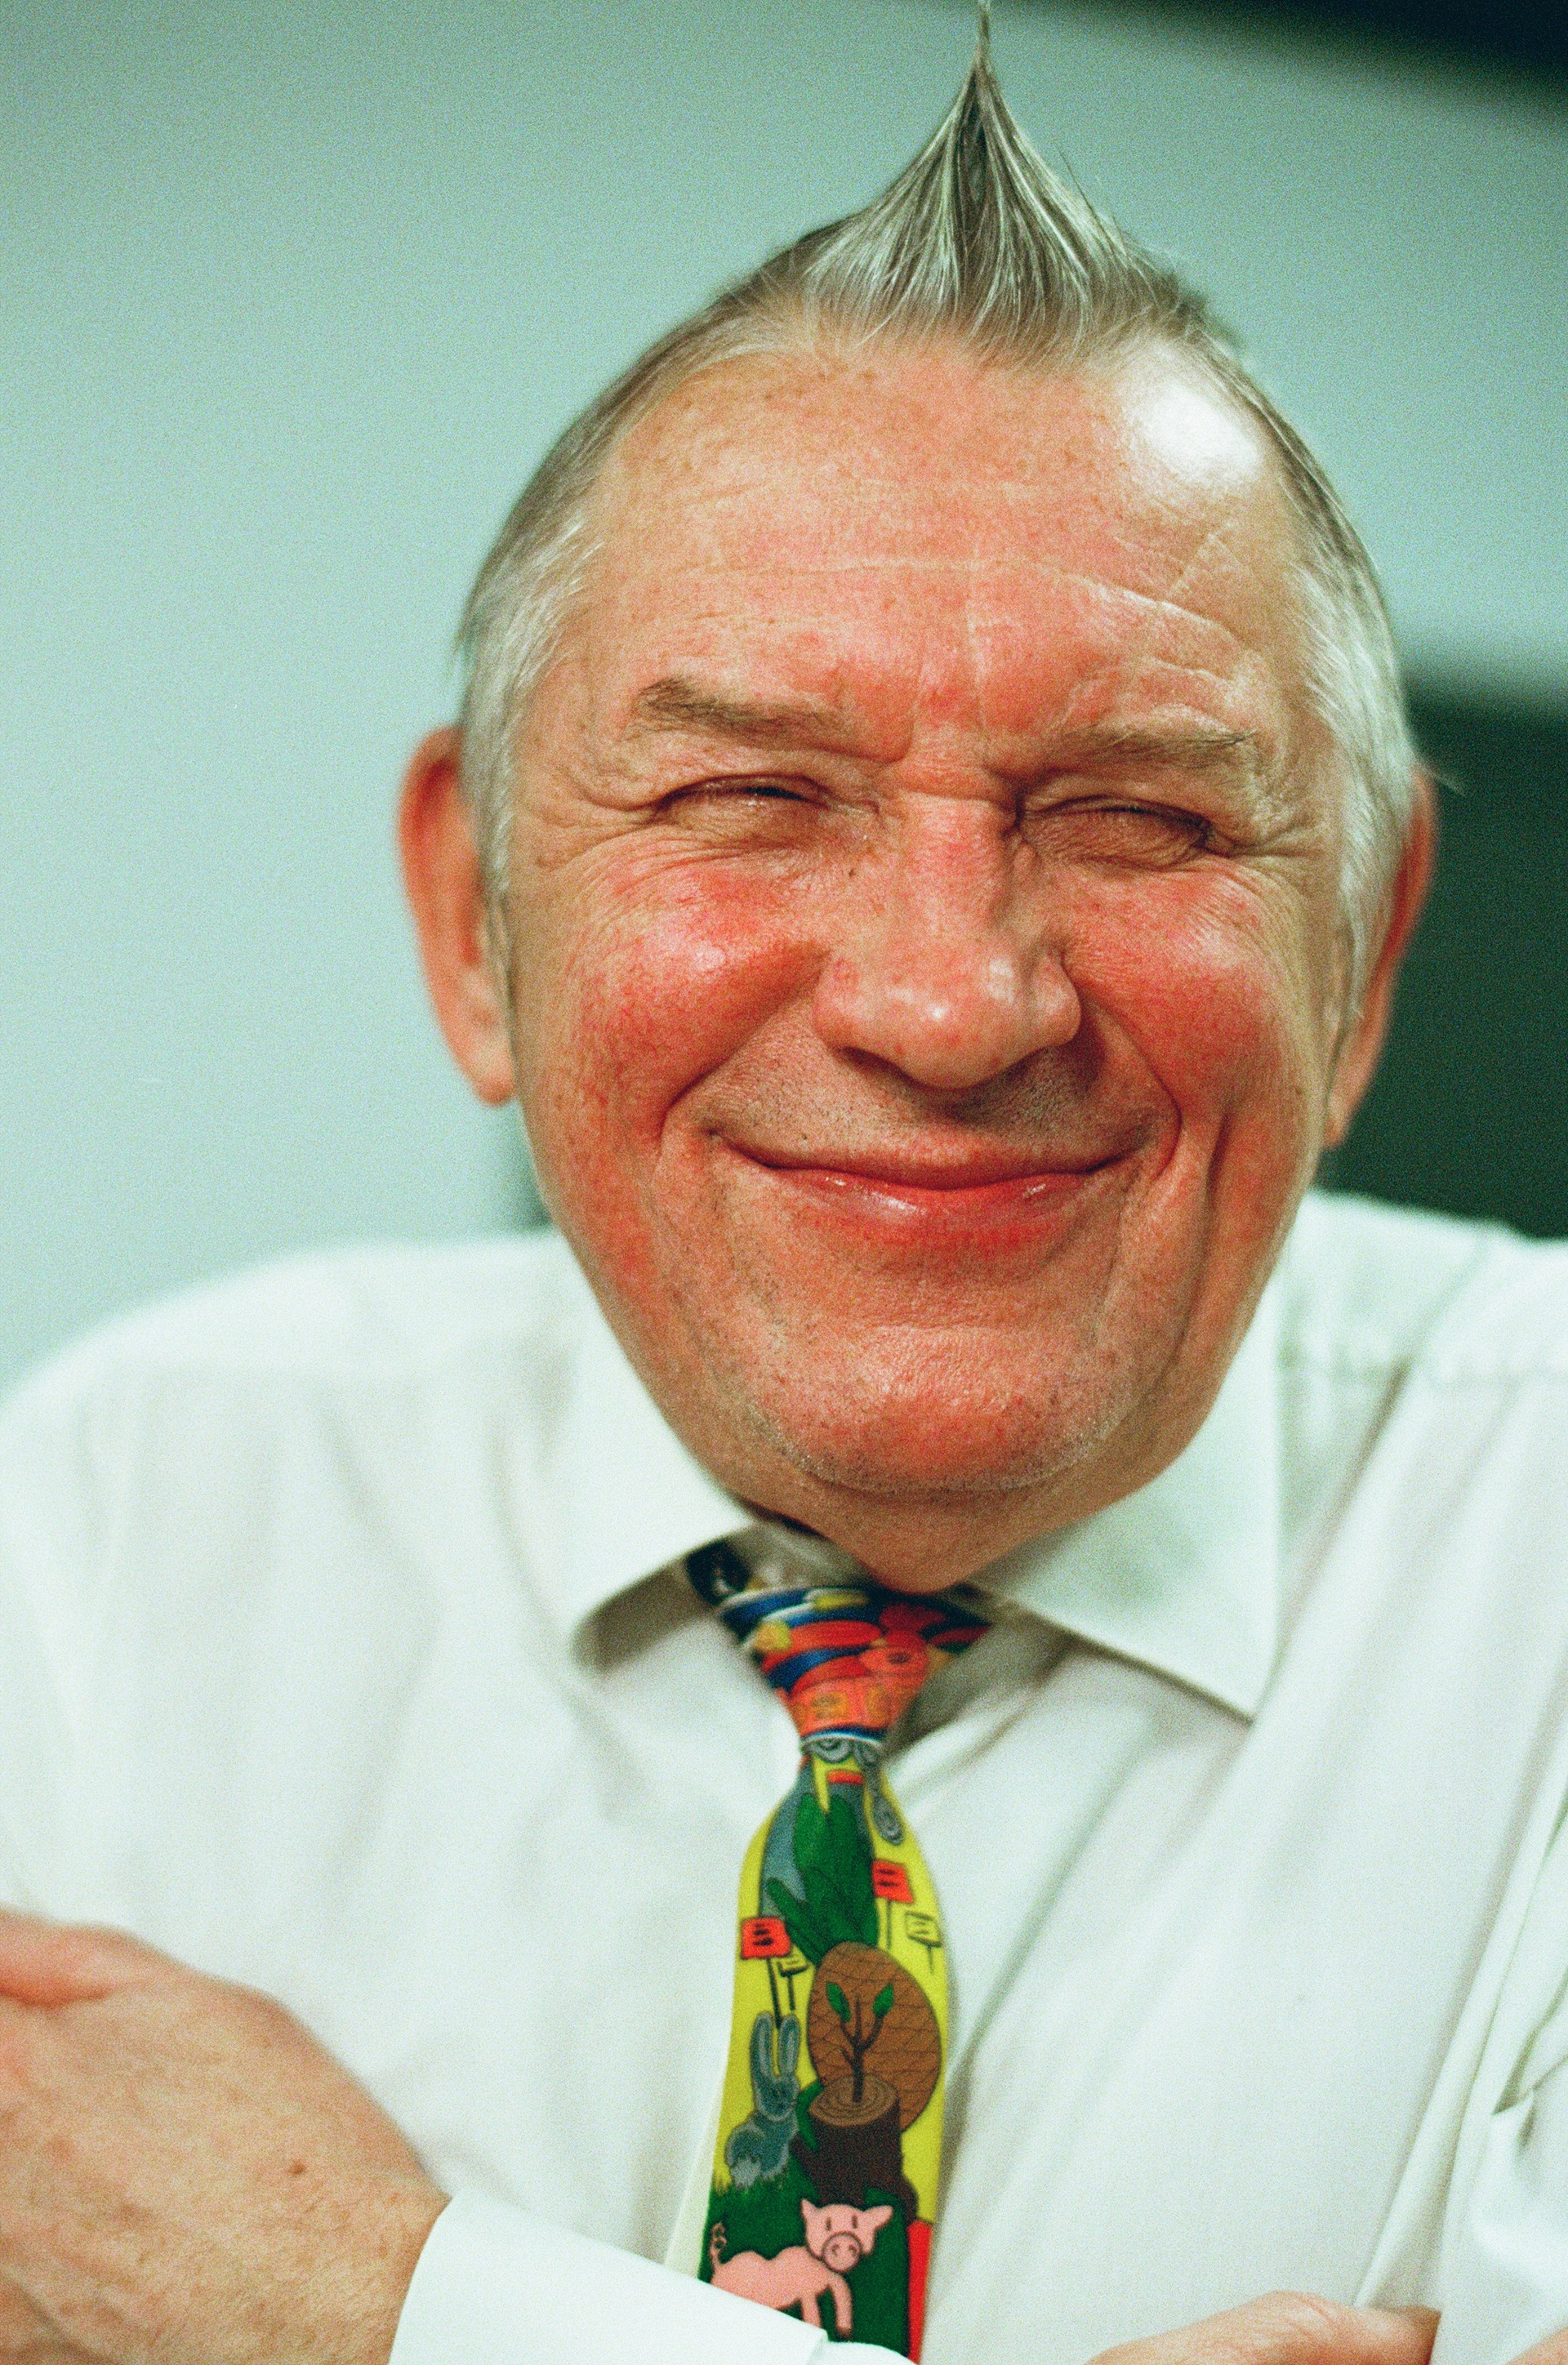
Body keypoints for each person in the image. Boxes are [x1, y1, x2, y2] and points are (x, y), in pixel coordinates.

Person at [1, 23, 1565, 2365]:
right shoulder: (122, 1517)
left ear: (1366, 950)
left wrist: (369, 2308)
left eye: (1142, 815)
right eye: (750, 798)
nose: (952, 1004)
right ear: (472, 928)